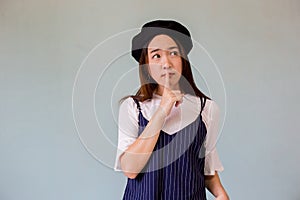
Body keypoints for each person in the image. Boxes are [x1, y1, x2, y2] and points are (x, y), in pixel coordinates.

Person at [114, 19, 229, 200]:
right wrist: (163, 109)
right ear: (147, 65)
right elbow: (130, 169)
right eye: (156, 56)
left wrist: (221, 195)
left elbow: (207, 169)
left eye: (173, 53)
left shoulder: (206, 108)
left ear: (183, 59)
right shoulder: (132, 107)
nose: (166, 63)